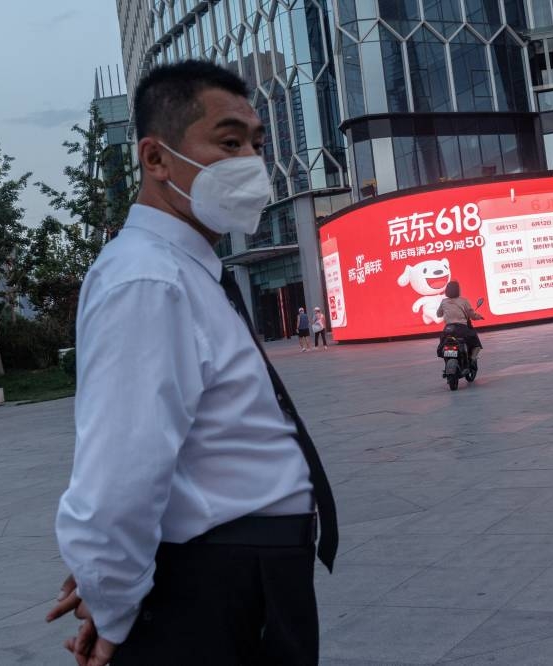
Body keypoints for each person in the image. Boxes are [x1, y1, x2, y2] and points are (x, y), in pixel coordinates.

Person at [46, 60, 338, 665]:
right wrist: (112, 600)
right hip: (217, 585)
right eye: (229, 143)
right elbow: (120, 473)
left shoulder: (187, 270)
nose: (250, 165)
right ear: (156, 160)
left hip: (245, 575)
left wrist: (110, 589)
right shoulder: (149, 279)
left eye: (257, 146)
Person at [436, 280, 483, 362]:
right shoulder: (463, 300)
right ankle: (472, 358)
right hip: (461, 329)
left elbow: (438, 314)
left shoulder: (444, 302)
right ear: (458, 290)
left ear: (447, 290)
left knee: (443, 344)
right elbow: (472, 315)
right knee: (476, 345)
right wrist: (478, 316)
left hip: (448, 330)